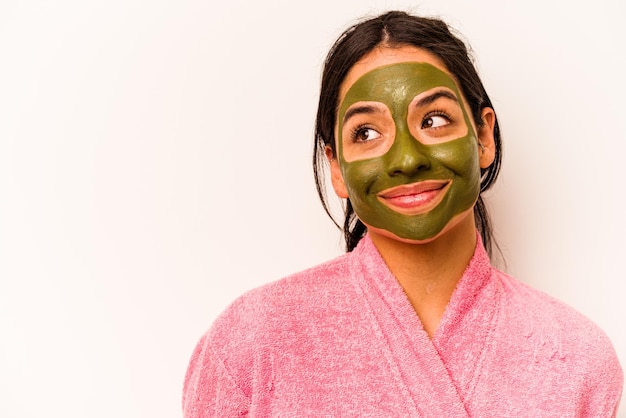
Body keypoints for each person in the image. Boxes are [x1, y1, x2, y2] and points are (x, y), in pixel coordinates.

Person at [183, 10, 623, 417]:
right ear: (336, 166)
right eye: (367, 132)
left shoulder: (578, 357)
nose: (407, 159)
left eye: (433, 120)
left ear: (483, 135)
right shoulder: (253, 342)